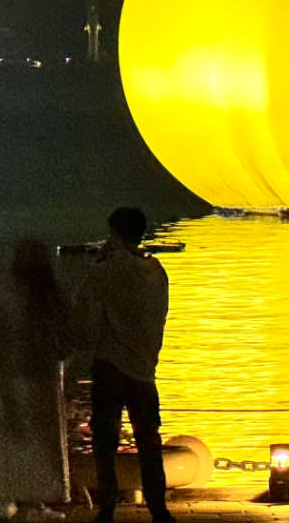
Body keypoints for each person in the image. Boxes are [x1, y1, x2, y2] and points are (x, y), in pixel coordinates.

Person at [73, 206, 173, 523]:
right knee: (148, 438)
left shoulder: (106, 269)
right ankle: (158, 507)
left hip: (109, 365)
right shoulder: (156, 272)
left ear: (115, 233)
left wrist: (101, 260)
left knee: (106, 439)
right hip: (144, 368)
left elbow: (83, 308)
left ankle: (107, 507)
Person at [0, 239, 76, 520]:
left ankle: (14, 496)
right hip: (44, 376)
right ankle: (39, 499)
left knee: (16, 437)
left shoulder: (7, 295)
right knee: (44, 438)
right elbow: (69, 335)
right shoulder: (52, 296)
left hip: (17, 374)